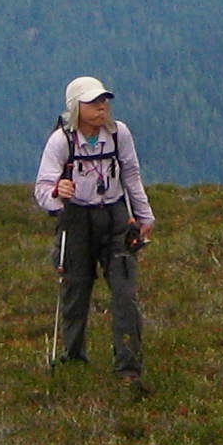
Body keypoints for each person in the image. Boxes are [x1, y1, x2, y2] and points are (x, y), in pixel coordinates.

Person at [34, 75, 154, 391]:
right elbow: (42, 190)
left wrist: (143, 216)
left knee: (125, 293)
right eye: (93, 102)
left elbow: (131, 174)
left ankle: (128, 367)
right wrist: (59, 193)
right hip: (76, 220)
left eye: (104, 100)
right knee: (76, 292)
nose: (102, 107)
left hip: (115, 217)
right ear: (76, 107)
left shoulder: (119, 134)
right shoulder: (61, 141)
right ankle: (74, 356)